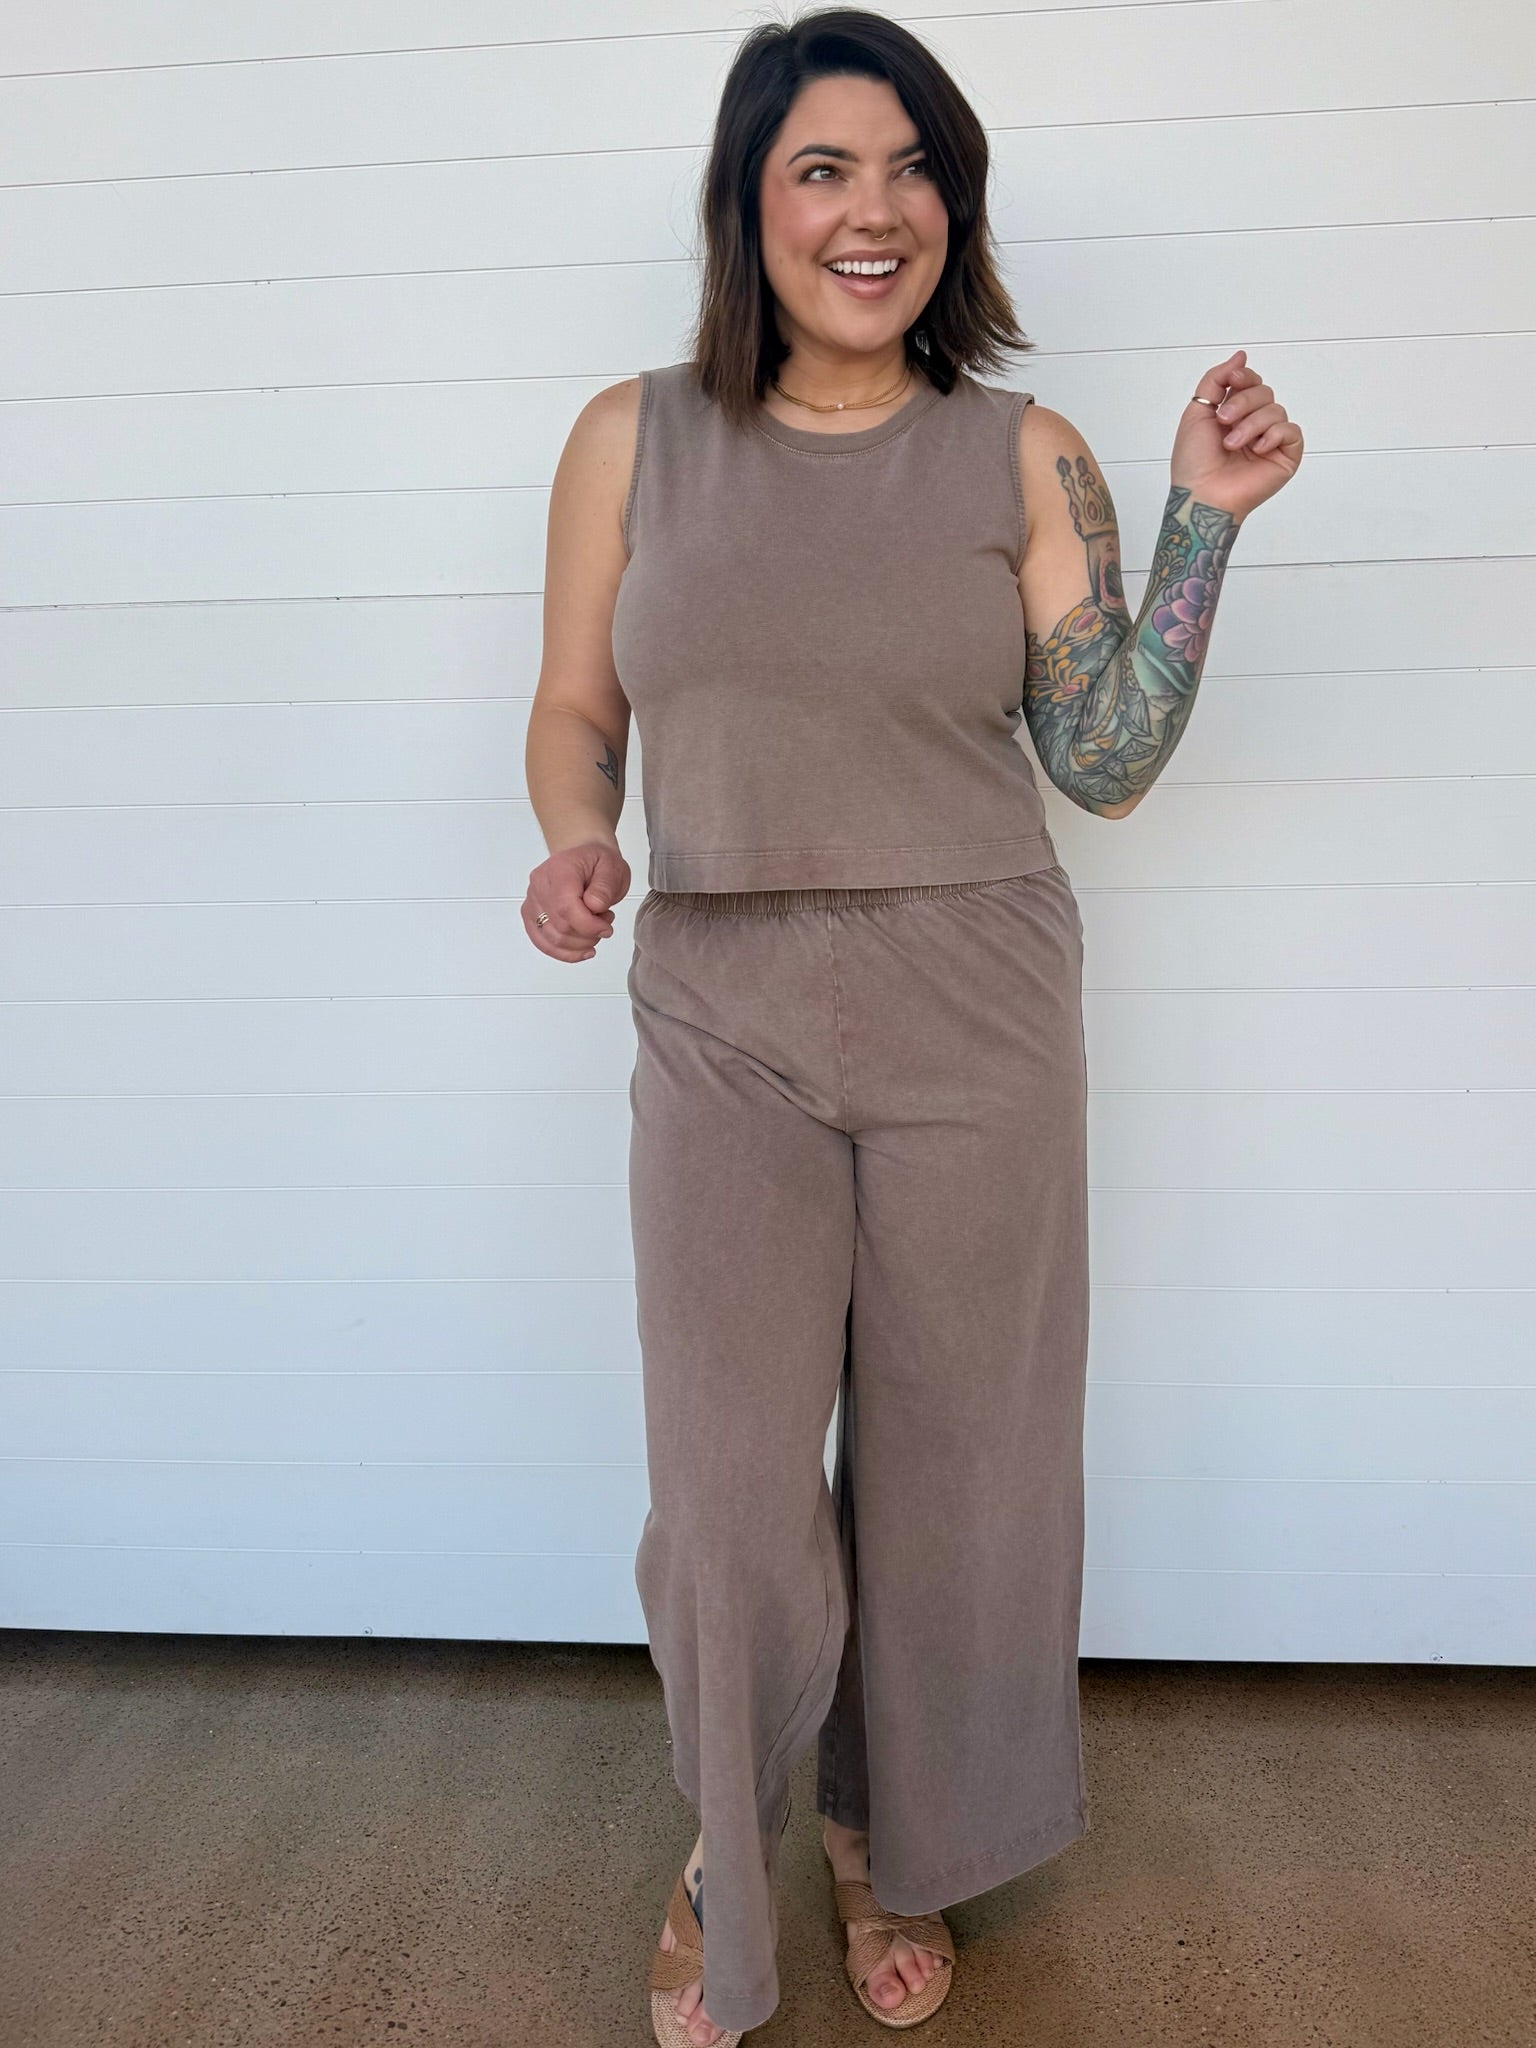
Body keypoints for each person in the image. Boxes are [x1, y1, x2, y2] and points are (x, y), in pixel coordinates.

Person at [522, 11, 1304, 2044]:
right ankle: (732, 1833)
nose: (876, 212)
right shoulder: (630, 437)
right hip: (723, 996)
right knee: (725, 1484)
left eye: (914, 169)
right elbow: (577, 705)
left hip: (977, 995)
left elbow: (1102, 760)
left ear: (954, 206)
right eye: (824, 169)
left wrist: (1204, 518)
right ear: (749, 204)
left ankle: (895, 1833)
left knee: (965, 1461)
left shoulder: (1021, 452)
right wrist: (579, 838)